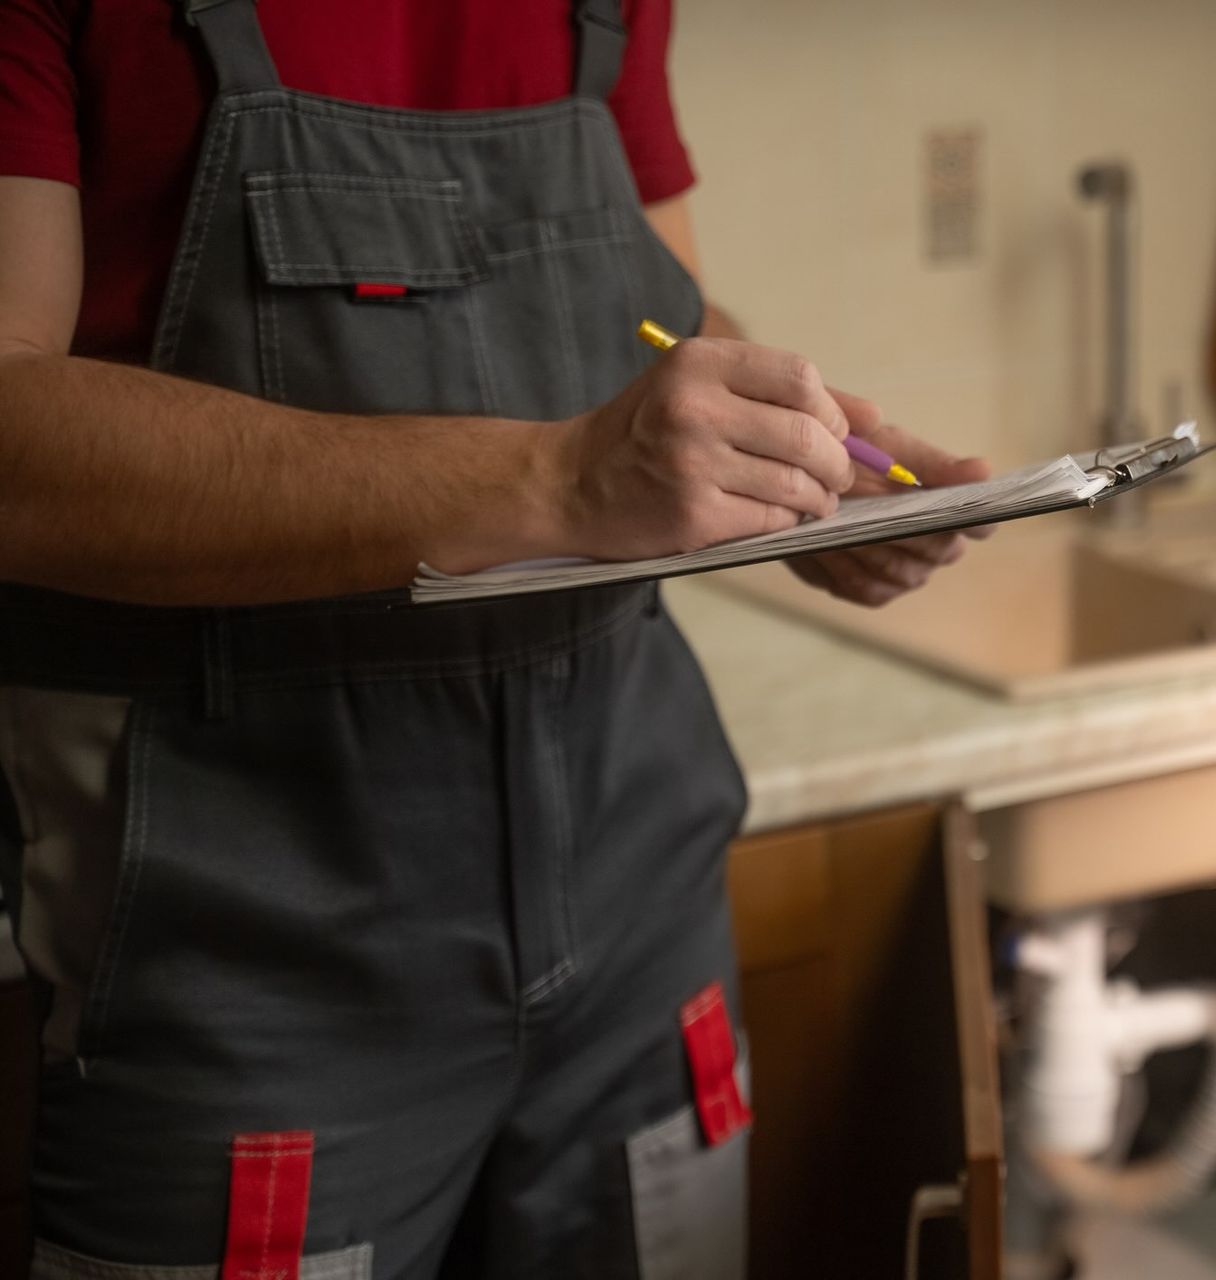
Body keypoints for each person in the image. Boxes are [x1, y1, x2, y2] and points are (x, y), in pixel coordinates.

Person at [0, 1, 985, 1275]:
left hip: (645, 891)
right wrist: (564, 477)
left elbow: (660, 312)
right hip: (249, 959)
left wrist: (794, 470)